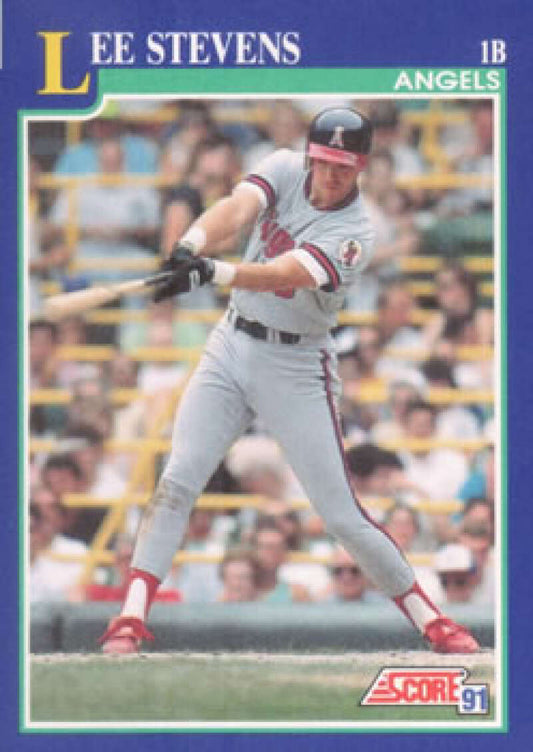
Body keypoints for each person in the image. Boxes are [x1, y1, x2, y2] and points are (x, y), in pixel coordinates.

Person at [99, 107, 478, 654]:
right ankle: (130, 618)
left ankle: (433, 620)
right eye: (324, 161)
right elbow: (237, 208)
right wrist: (190, 245)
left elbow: (287, 273)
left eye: (344, 166)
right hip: (231, 343)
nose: (331, 174)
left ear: (362, 167)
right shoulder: (281, 167)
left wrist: (216, 271)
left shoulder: (355, 231)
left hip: (297, 366)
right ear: (310, 154)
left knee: (341, 514)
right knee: (177, 479)